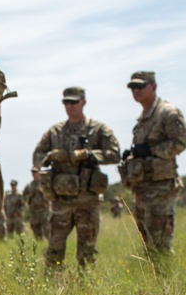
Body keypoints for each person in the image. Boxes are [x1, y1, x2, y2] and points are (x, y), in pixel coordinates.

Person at [32, 87, 120, 269]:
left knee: (87, 251)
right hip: (60, 202)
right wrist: (53, 156)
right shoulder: (55, 131)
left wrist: (89, 155)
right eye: (66, 102)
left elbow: (115, 154)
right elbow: (37, 156)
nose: (70, 106)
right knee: (54, 249)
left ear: (83, 102)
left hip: (87, 200)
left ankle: (86, 290)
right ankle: (52, 289)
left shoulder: (97, 130)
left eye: (74, 102)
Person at [119, 71, 186, 257]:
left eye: (141, 86)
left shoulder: (167, 113)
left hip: (161, 188)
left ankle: (166, 283)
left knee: (160, 243)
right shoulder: (143, 119)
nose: (136, 90)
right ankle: (155, 282)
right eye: (133, 87)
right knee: (148, 243)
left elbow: (180, 142)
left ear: (154, 87)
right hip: (143, 188)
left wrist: (151, 151)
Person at [22, 167, 51, 240]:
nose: (34, 174)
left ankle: (49, 244)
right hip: (34, 211)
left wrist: (43, 192)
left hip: (44, 210)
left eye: (35, 172)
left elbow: (50, 194)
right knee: (35, 229)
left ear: (39, 173)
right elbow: (24, 197)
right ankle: (39, 243)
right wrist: (29, 196)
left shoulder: (44, 183)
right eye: (33, 172)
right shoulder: (29, 185)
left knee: (47, 229)